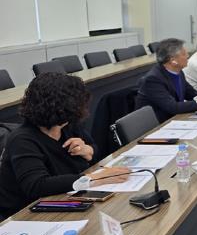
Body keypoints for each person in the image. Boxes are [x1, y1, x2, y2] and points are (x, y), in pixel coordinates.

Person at [0, 73, 129, 218]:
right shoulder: (22, 139)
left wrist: (88, 151)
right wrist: (92, 178)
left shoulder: (67, 125)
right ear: (66, 108)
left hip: (62, 199)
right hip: (26, 214)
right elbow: (36, 185)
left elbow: (93, 148)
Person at [135, 38, 197, 123]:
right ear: (173, 61)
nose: (187, 56)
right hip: (158, 124)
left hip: (173, 119)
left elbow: (191, 93)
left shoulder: (178, 72)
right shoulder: (153, 79)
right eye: (184, 54)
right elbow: (172, 107)